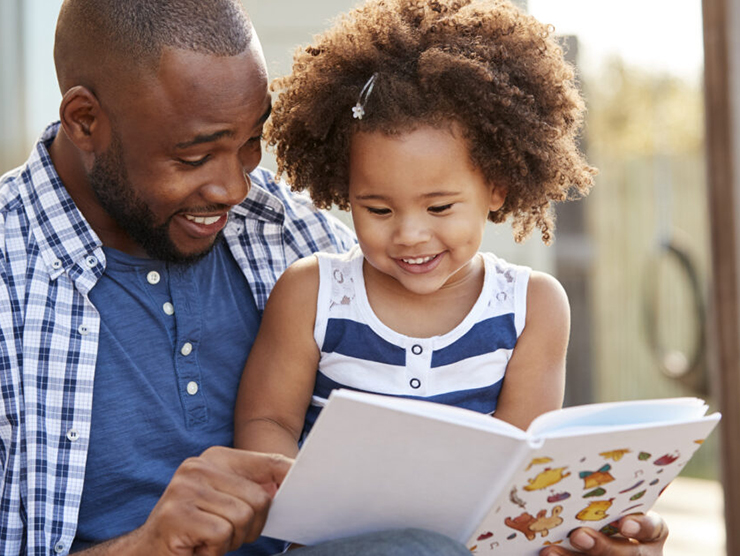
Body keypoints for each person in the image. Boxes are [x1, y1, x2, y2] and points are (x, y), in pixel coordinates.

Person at [0, 0, 668, 554]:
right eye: (196, 153)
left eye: (250, 143)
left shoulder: (290, 233)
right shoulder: (11, 277)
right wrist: (142, 547)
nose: (235, 187)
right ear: (85, 120)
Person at [233, 1, 671, 555]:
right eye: (378, 209)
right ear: (345, 192)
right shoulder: (313, 293)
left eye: (439, 208)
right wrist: (306, 502)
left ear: (497, 188)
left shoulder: (531, 307)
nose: (410, 235)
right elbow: (266, 420)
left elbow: (518, 463)